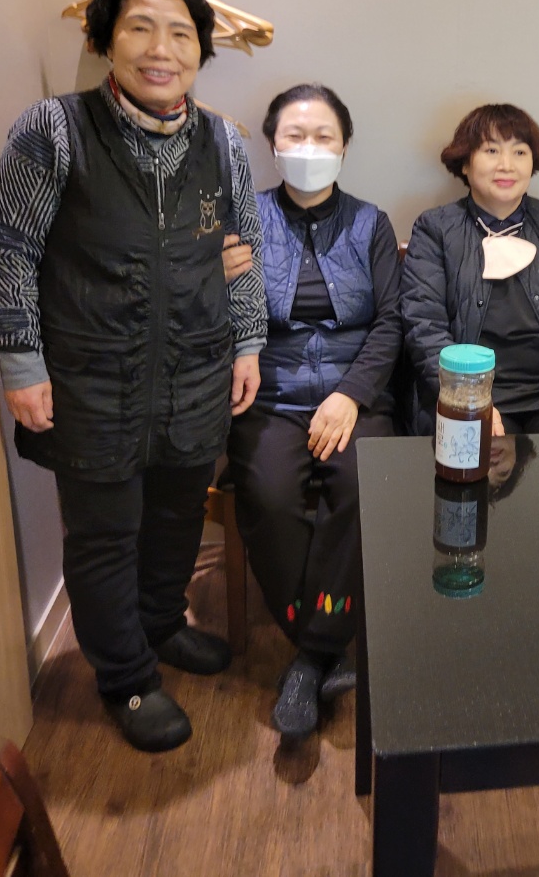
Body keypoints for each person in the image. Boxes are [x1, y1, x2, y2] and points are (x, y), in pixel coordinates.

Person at [0, 0, 267, 752]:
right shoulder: (52, 130)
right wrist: (21, 362)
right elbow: (9, 248)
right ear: (107, 39)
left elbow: (242, 249)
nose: (160, 50)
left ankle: (160, 623)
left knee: (176, 515)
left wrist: (248, 343)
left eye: (180, 33)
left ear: (201, 50)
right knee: (104, 534)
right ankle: (126, 677)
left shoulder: (224, 143)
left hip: (196, 369)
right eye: (140, 28)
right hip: (90, 375)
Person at [222, 83, 402, 741]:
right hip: (267, 396)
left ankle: (308, 656)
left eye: (323, 136)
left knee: (360, 486)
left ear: (344, 147)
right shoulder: (242, 219)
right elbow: (213, 317)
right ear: (273, 146)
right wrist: (215, 280)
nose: (309, 147)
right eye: (295, 136)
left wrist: (350, 394)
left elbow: (391, 322)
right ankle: (325, 648)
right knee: (268, 496)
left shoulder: (371, 223)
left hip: (355, 395)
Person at [401, 104, 539, 435]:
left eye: (520, 152)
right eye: (491, 150)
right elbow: (423, 324)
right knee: (482, 456)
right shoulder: (435, 229)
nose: (506, 165)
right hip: (468, 390)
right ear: (465, 163)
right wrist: (467, 396)